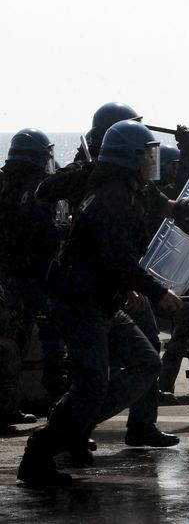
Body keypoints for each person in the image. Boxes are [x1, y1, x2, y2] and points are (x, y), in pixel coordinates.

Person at [17, 120, 184, 486]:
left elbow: (111, 260)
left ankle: (76, 424)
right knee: (91, 384)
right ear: (130, 158)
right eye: (148, 155)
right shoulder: (111, 198)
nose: (153, 163)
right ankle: (39, 454)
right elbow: (118, 259)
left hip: (102, 300)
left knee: (143, 363)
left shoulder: (126, 190)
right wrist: (157, 292)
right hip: (81, 305)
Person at [0, 128, 62, 420]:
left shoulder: (4, 183)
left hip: (8, 276)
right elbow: (43, 235)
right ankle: (54, 405)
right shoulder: (37, 190)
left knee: (12, 343)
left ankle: (10, 406)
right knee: (48, 340)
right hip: (32, 277)